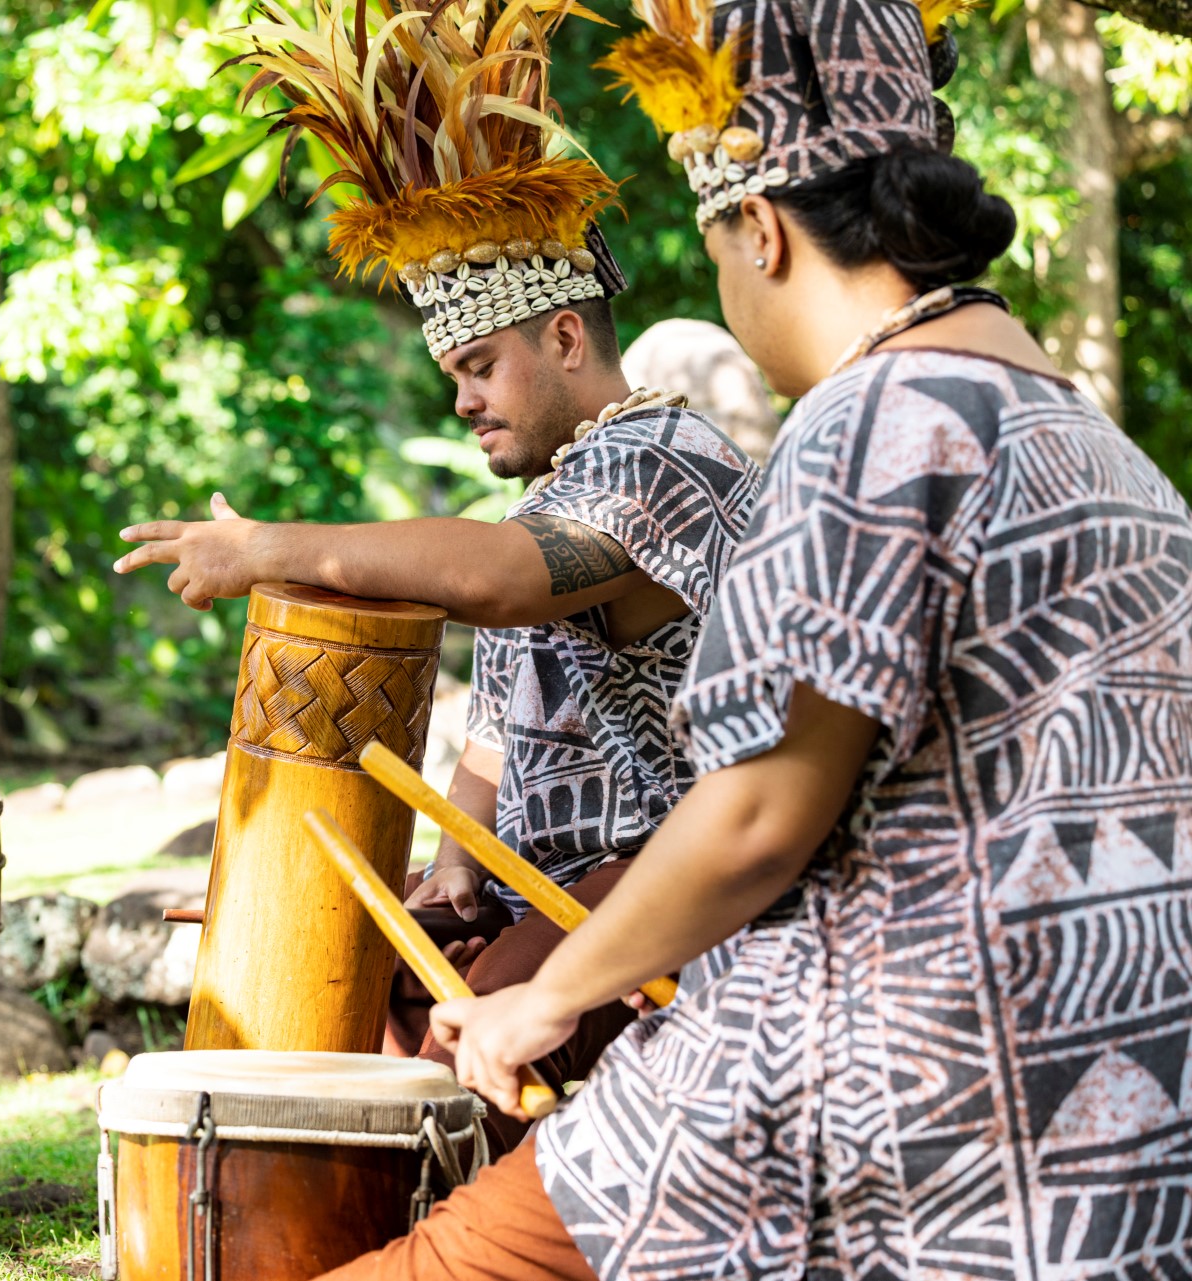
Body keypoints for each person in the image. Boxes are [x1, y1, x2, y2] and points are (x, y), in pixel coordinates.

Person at [323, 1, 1192, 1277]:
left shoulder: (874, 426)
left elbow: (758, 817)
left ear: (764, 233)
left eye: (719, 255)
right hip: (1119, 1143)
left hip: (869, 1103)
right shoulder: (1107, 455)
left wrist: (543, 999)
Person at [115, 0, 761, 1147]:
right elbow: (497, 739)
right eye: (451, 371)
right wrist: (452, 863)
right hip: (547, 887)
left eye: (480, 366)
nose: (461, 400)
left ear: (566, 336)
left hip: (677, 884)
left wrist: (271, 549)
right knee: (361, 1017)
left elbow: (508, 580)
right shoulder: (548, 494)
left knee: (465, 1046)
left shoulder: (665, 458)